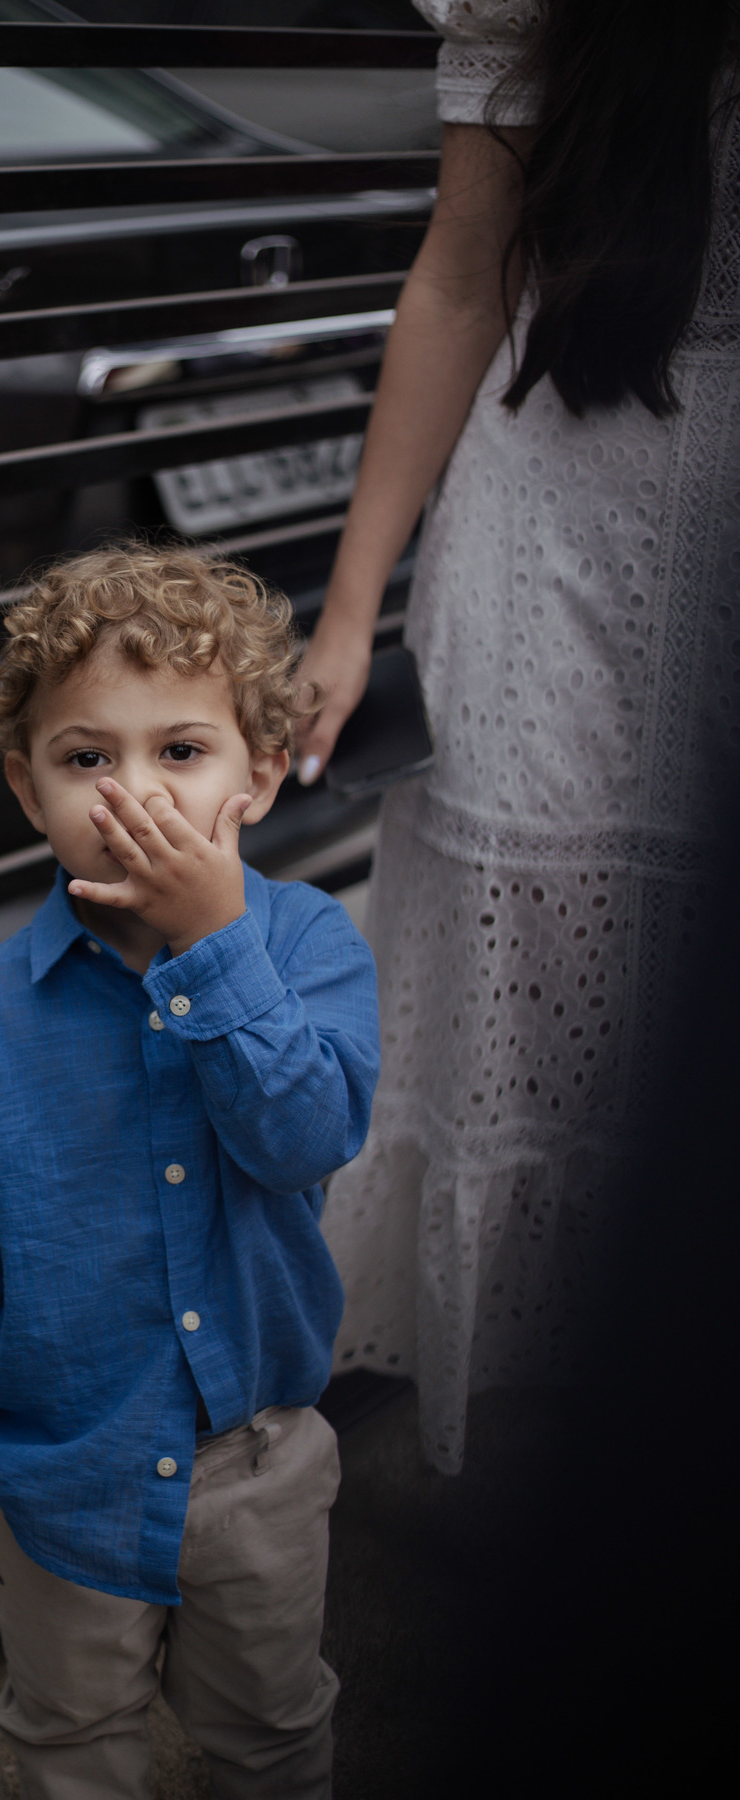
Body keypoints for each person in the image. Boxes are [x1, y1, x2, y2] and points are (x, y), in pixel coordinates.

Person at [295, 0, 740, 1471]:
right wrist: (349, 612)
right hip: (541, 522)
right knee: (532, 970)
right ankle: (554, 1457)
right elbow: (459, 273)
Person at [0, 545, 380, 1800]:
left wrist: (213, 941)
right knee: (67, 1748)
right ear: (26, 785)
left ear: (261, 774)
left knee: (270, 1740)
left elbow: (307, 1136)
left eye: (182, 751)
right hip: (55, 1483)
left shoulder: (308, 945)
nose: (133, 792)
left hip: (255, 1465)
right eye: (87, 757)